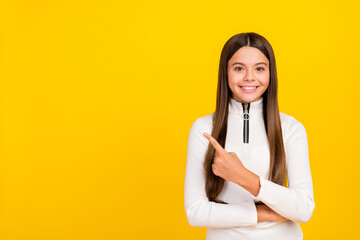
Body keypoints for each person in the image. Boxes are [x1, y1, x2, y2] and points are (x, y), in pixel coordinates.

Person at [184, 32, 315, 240]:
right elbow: (195, 212)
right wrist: (261, 213)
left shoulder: (291, 128)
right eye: (238, 68)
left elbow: (305, 208)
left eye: (260, 68)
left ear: (270, 73)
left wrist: (243, 177)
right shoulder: (203, 128)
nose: (249, 77)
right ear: (225, 73)